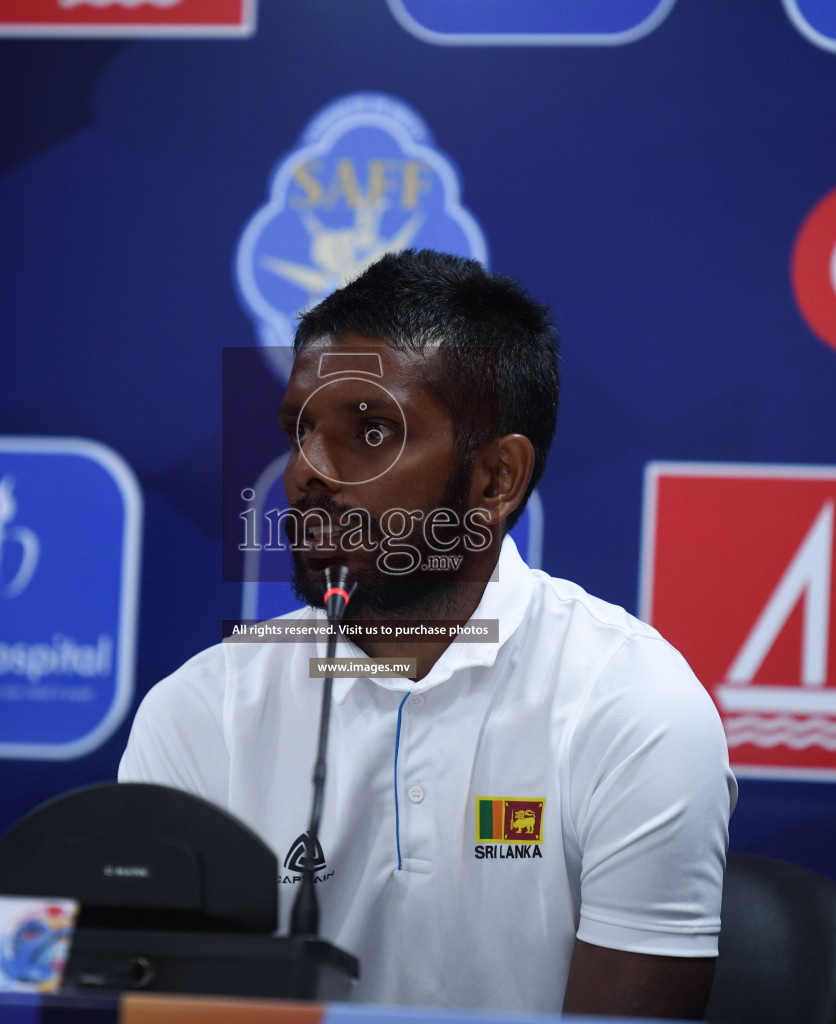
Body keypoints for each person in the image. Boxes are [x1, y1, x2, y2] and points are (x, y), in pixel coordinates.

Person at [118, 249, 736, 1018]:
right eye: (300, 430)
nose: (307, 471)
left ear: (496, 480)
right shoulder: (201, 710)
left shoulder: (634, 707)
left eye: (371, 431)